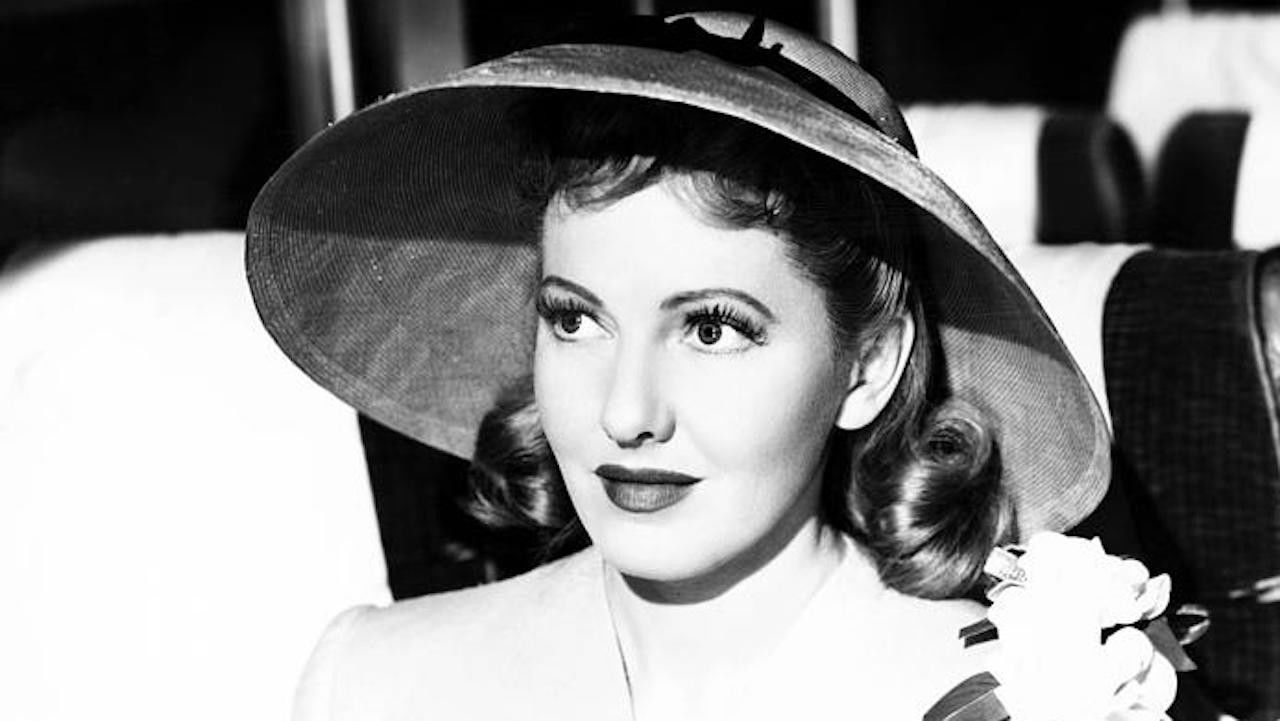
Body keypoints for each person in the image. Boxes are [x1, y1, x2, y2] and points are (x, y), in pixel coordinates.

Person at [246, 12, 1177, 720]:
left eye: (712, 329)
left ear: (867, 366)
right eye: (576, 319)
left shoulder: (1030, 699)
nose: (626, 413)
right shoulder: (373, 682)